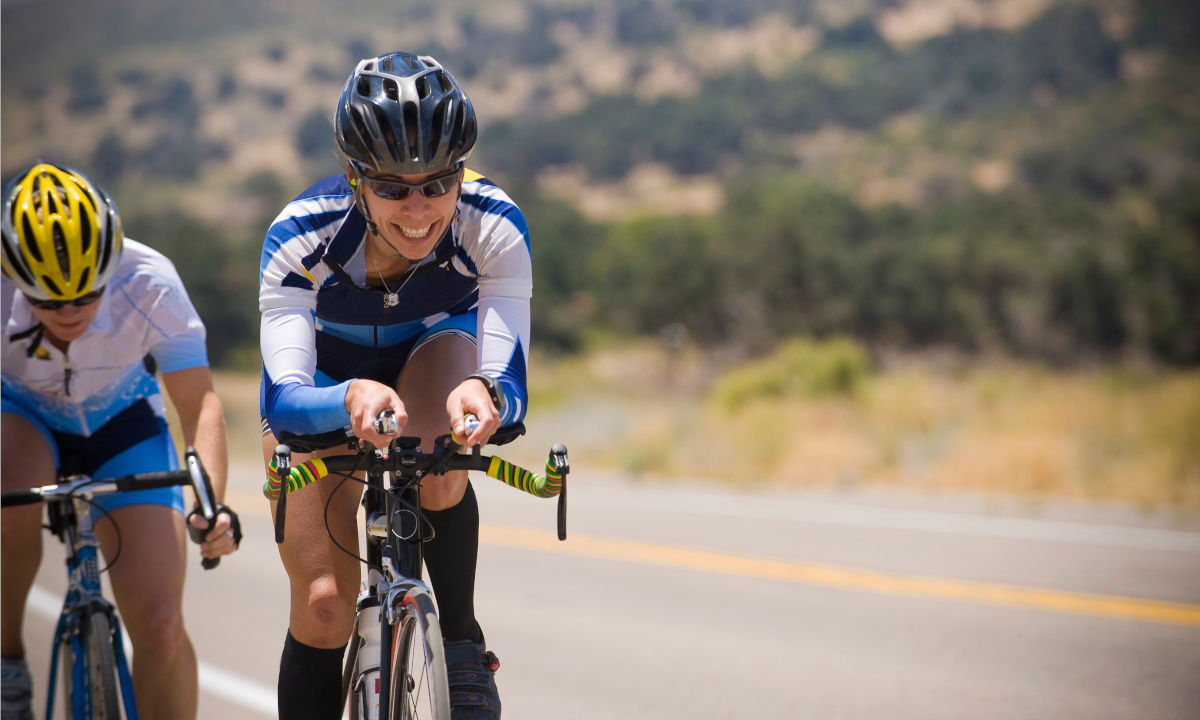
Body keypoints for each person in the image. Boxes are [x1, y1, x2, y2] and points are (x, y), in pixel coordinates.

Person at [259, 51, 531, 719]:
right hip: (327, 379)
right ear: (354, 176)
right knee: (323, 603)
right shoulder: (301, 235)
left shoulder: (493, 223)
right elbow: (285, 402)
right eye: (392, 187)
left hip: (431, 351)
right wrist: (346, 398)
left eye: (439, 183)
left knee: (440, 460)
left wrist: (488, 399)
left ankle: (462, 645)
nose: (419, 209)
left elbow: (508, 377)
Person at [0, 162, 242, 720]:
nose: (68, 313)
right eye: (47, 301)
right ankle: (9, 661)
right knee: (13, 501)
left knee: (159, 622)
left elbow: (200, 403)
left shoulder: (149, 280)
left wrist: (212, 505)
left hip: (123, 421)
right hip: (24, 416)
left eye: (85, 297)